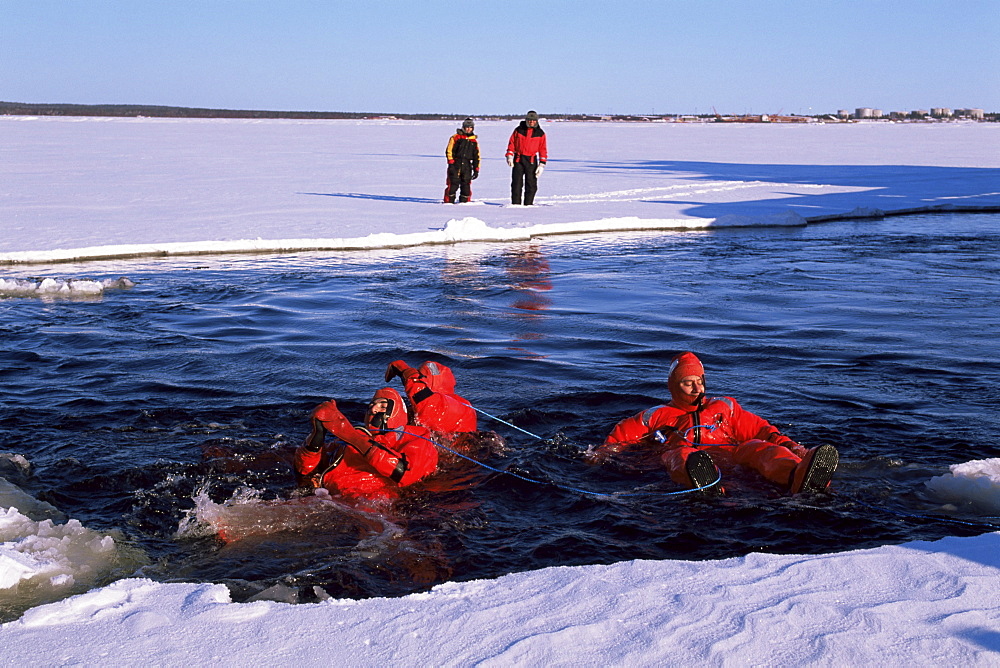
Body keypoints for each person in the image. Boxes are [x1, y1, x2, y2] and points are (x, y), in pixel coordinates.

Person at [591, 351, 838, 494]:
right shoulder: (655, 416)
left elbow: (763, 430)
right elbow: (619, 437)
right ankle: (704, 484)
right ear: (674, 386)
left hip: (732, 455)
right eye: (688, 383)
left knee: (758, 447)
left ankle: (798, 475)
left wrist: (793, 447)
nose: (696, 387)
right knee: (681, 453)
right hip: (690, 458)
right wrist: (599, 455)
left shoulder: (725, 407)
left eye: (699, 380)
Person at [294, 387, 438, 501]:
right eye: (371, 406)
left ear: (397, 412)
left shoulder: (417, 437)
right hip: (327, 498)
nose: (373, 410)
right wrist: (317, 437)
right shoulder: (349, 439)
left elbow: (406, 473)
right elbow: (305, 471)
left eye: (382, 406)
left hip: (372, 504)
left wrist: (349, 433)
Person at [384, 359, 478, 448]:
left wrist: (403, 369)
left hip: (454, 460)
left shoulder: (451, 405)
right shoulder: (452, 402)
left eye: (419, 377)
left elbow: (422, 396)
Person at [505, 110, 547, 205]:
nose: (531, 122)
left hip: (531, 160)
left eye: (533, 120)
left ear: (536, 121)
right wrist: (510, 155)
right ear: (526, 120)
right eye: (529, 120)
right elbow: (512, 143)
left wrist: (542, 164)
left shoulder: (540, 133)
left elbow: (543, 149)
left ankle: (528, 205)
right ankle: (516, 205)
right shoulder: (518, 130)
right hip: (518, 159)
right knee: (516, 184)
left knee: (531, 185)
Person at [444, 117, 480, 203]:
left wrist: (476, 169)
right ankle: (448, 202)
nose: (468, 129)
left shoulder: (473, 141)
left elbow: (477, 156)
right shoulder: (455, 137)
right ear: (463, 127)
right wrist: (451, 163)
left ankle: (464, 203)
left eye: (470, 127)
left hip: (467, 165)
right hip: (456, 163)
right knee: (453, 184)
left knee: (466, 185)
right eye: (467, 127)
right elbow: (449, 150)